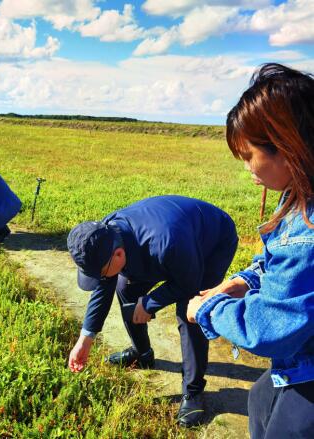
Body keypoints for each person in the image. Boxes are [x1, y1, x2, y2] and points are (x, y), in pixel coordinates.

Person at [187, 63, 314, 438]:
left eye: (248, 154)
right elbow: (273, 265)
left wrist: (207, 309)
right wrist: (236, 284)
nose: (246, 168)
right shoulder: (297, 198)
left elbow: (272, 327)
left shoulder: (307, 229)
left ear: (288, 147)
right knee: (259, 400)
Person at [67, 195, 238, 427]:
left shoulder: (165, 243)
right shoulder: (105, 236)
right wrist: (85, 339)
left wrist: (150, 302)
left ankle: (193, 391)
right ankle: (142, 354)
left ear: (118, 254)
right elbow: (103, 286)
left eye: (102, 272)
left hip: (211, 242)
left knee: (190, 312)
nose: (102, 278)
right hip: (172, 245)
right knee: (125, 289)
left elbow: (189, 282)